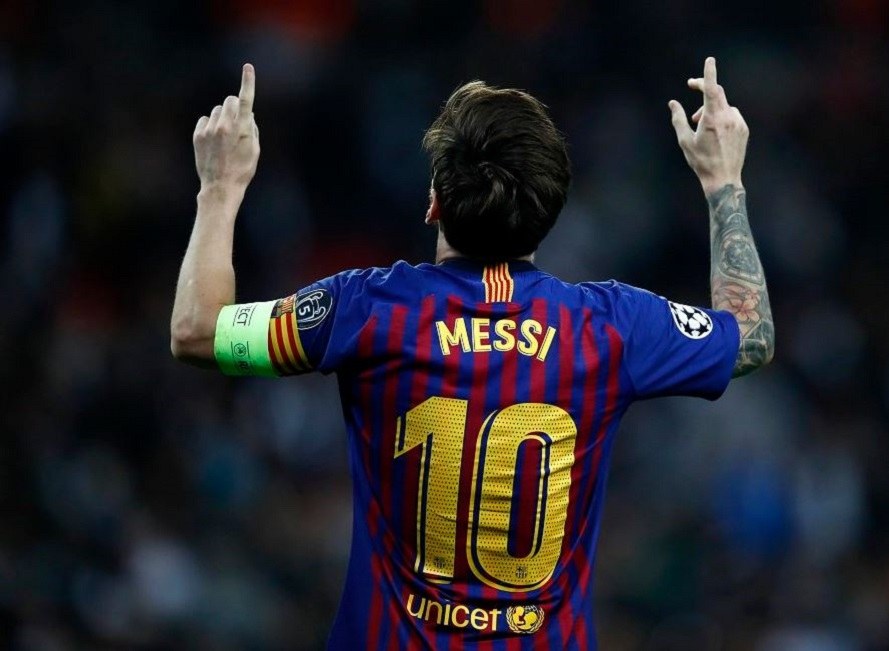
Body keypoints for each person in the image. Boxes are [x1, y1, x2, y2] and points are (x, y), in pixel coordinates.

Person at [170, 57, 773, 649]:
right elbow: (751, 337)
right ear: (550, 211)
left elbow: (197, 332)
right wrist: (724, 183)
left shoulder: (368, 310)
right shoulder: (611, 327)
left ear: (434, 202)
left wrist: (220, 189)